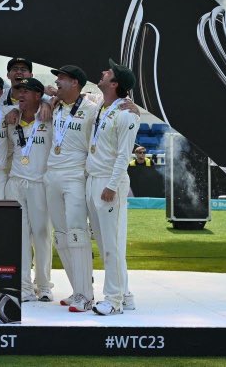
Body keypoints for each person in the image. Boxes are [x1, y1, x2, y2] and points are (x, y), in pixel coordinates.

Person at [44, 65, 100, 312]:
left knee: (77, 233)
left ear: (75, 83)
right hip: (52, 174)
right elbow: (38, 93)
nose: (57, 82)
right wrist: (49, 100)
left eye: (62, 79)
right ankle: (76, 288)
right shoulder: (56, 105)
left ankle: (86, 295)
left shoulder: (91, 108)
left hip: (75, 175)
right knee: (61, 236)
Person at [87, 60, 140, 316]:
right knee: (105, 241)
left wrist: (111, 185)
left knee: (112, 244)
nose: (103, 72)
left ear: (115, 83)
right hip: (94, 178)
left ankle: (114, 300)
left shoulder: (127, 114)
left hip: (110, 182)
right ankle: (126, 294)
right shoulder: (100, 105)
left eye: (108, 72)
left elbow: (123, 155)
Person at [5, 77, 53, 302]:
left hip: (39, 184)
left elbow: (82, 99)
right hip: (15, 183)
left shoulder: (50, 116)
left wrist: (47, 103)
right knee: (19, 237)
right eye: (19, 91)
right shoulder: (11, 119)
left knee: (42, 234)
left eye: (27, 91)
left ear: (38, 95)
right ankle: (23, 286)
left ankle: (43, 285)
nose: (21, 95)